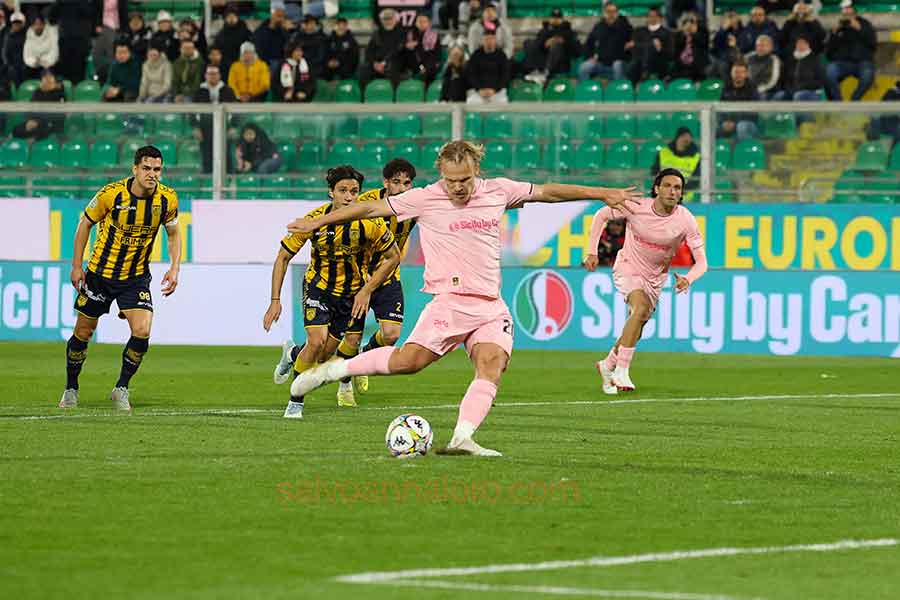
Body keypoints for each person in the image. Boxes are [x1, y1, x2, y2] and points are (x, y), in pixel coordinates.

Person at [287, 141, 641, 456]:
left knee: (492, 364)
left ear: (477, 170)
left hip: (490, 305)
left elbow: (547, 192)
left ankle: (462, 438)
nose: (458, 187)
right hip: (450, 302)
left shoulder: (498, 190)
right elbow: (368, 210)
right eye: (451, 179)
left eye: (465, 179)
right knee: (409, 362)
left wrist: (601, 193)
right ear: (441, 172)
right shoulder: (425, 197)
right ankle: (332, 370)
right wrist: (317, 223)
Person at [263, 165, 401, 417]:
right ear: (331, 192)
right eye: (342, 191)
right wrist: (275, 300)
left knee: (324, 354)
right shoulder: (315, 220)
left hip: (351, 294)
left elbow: (394, 256)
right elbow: (283, 257)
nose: (349, 197)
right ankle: (295, 402)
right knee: (316, 341)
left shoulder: (370, 223)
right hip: (319, 288)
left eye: (354, 192)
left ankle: (292, 353)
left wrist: (367, 290)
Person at [60, 146, 181, 411]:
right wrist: (77, 266)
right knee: (83, 332)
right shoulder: (111, 194)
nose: (152, 174)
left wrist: (175, 267)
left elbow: (173, 233)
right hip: (100, 276)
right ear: (135, 169)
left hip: (135, 278)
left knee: (142, 331)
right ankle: (71, 388)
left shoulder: (167, 199)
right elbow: (85, 224)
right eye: (146, 168)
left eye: (157, 169)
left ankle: (121, 388)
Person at [583, 168, 706, 394]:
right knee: (639, 309)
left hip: (655, 278)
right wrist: (592, 251)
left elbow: (702, 263)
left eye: (677, 188)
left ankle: (607, 364)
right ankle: (622, 370)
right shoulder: (637, 206)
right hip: (628, 266)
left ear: (681, 193)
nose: (672, 191)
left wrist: (688, 278)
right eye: (667, 186)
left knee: (637, 325)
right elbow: (601, 215)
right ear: (657, 188)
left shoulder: (686, 220)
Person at [824, 0, 875, 101]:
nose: (846, 12)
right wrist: (834, 35)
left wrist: (860, 29)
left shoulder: (864, 24)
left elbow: (873, 44)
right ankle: (838, 102)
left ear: (854, 11)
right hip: (842, 62)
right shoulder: (838, 27)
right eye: (844, 10)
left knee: (868, 75)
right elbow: (829, 53)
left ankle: (854, 100)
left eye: (849, 9)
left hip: (862, 62)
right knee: (829, 72)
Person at [579, 2, 632, 82]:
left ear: (617, 13)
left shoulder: (625, 26)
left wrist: (632, 42)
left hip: (619, 63)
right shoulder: (599, 26)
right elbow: (589, 43)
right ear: (604, 13)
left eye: (614, 11)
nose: (611, 14)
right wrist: (590, 57)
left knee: (617, 65)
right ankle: (586, 89)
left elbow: (636, 38)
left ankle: (616, 89)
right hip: (601, 63)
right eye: (608, 12)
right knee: (584, 67)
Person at [651, 127, 700, 200]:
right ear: (677, 138)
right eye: (683, 137)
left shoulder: (696, 157)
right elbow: (654, 172)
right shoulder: (663, 153)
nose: (685, 141)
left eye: (687, 139)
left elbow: (696, 179)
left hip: (685, 198)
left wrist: (680, 190)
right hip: (663, 196)